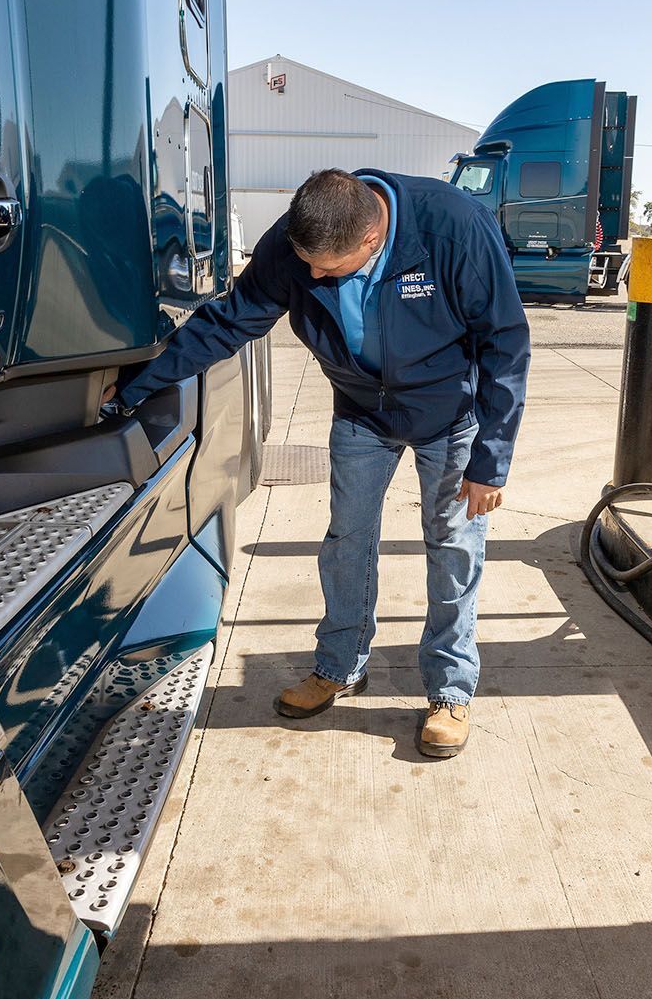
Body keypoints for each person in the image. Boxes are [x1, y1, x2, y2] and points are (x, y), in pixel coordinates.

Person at [108, 168, 529, 758]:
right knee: (346, 540)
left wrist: (491, 460)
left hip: (449, 416)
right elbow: (231, 321)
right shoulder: (297, 243)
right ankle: (338, 666)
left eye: (327, 268)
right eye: (305, 262)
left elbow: (506, 342)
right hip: (361, 410)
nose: (310, 276)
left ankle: (450, 691)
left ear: (371, 238)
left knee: (454, 548)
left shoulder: (453, 228)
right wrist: (131, 387)